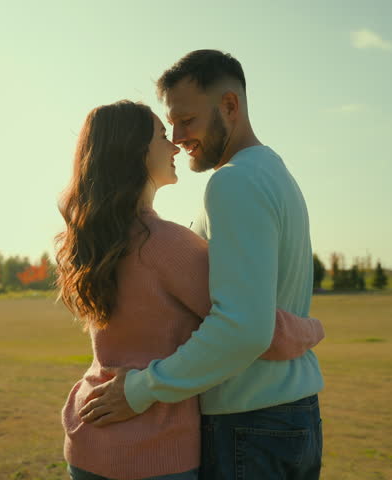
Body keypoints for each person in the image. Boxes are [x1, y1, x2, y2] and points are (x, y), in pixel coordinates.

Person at [77, 51, 325, 480]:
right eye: (168, 126)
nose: (177, 137)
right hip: (287, 417)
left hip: (247, 419)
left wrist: (138, 390)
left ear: (230, 105)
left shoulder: (234, 182)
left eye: (186, 120)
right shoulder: (273, 173)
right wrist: (307, 329)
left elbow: (243, 326)